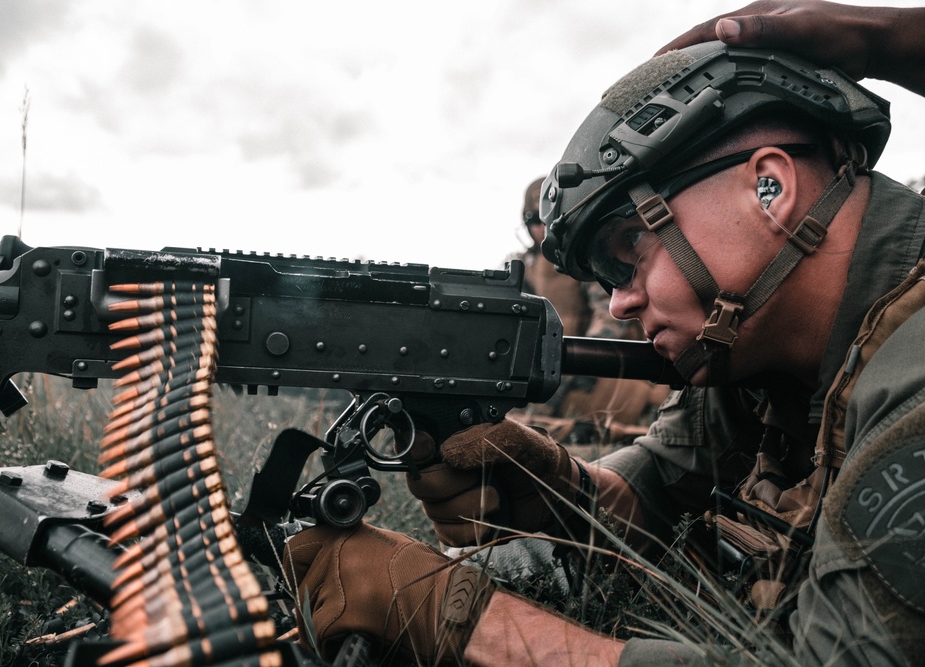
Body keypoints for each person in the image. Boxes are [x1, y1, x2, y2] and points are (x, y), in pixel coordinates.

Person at [280, 3, 925, 665]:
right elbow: (657, 488)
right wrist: (560, 490)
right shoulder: (755, 354)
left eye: (629, 250)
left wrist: (461, 619)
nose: (617, 303)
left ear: (769, 187)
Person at [508, 177, 666, 443]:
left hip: (592, 369)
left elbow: (610, 320)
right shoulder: (523, 264)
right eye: (533, 220)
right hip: (546, 370)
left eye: (545, 220)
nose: (540, 228)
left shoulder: (580, 262)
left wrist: (572, 365)